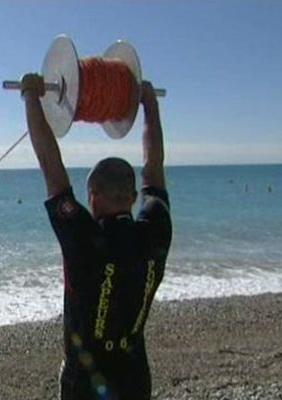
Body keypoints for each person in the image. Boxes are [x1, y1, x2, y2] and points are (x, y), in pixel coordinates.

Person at [20, 73, 172, 400]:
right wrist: (149, 105)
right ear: (133, 196)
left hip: (84, 384)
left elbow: (50, 165)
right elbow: (154, 165)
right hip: (135, 381)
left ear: (93, 195)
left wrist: (31, 98)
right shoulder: (155, 229)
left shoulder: (83, 238)